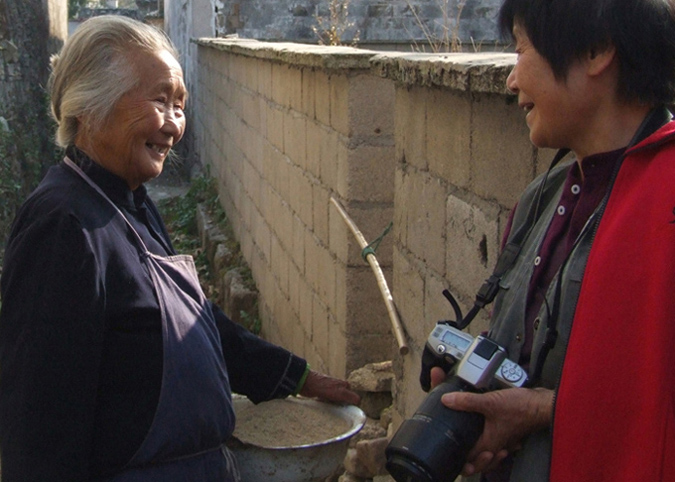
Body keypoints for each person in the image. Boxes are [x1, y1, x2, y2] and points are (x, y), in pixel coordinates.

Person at [0, 15, 359, 482]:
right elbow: (39, 433)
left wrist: (295, 377)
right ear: (89, 104)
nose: (174, 125)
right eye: (160, 100)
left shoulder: (128, 202)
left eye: (180, 105)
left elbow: (194, 320)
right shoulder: (64, 226)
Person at [427, 0, 675, 481]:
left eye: (521, 50)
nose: (512, 81)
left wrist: (545, 411)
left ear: (596, 50)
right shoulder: (542, 198)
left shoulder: (666, 204)